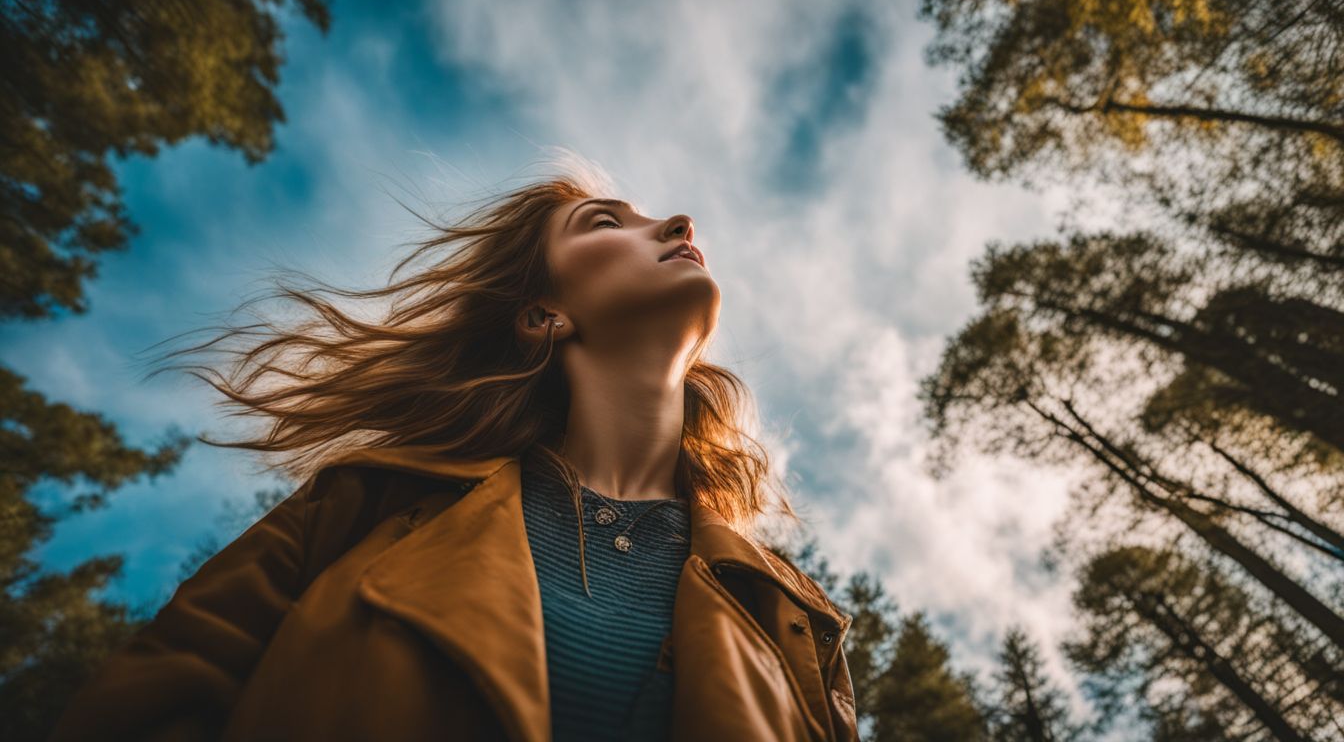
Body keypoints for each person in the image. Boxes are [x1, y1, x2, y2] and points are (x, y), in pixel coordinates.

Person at [48, 154, 859, 742]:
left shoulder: (791, 617)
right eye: (607, 222)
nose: (681, 224)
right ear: (544, 313)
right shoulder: (365, 506)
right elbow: (150, 702)